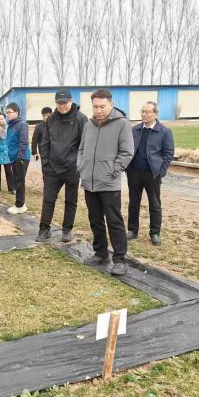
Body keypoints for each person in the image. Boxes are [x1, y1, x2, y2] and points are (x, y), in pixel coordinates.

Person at [77, 89, 134, 275]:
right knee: (95, 220)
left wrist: (113, 170)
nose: (99, 110)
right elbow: (81, 149)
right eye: (96, 106)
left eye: (102, 106)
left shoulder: (122, 124)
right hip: (89, 182)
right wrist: (81, 167)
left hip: (109, 183)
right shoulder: (89, 125)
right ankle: (100, 253)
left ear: (111, 104)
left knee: (114, 222)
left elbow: (127, 152)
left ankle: (120, 260)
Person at [37, 89, 88, 242]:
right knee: (48, 199)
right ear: (56, 103)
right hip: (52, 168)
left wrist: (78, 164)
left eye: (65, 103)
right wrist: (45, 163)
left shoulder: (81, 119)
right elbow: (44, 142)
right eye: (59, 103)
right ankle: (44, 229)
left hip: (72, 168)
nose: (62, 106)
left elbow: (85, 144)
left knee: (71, 201)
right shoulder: (51, 119)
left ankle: (67, 230)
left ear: (71, 101)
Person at [126, 101, 174, 246]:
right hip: (134, 172)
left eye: (147, 112)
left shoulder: (164, 132)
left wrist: (161, 171)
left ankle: (155, 232)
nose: (144, 114)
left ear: (155, 114)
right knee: (133, 202)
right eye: (142, 111)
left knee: (154, 204)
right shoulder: (134, 130)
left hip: (152, 174)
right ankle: (132, 230)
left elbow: (168, 153)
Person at [5, 103, 30, 214]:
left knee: (19, 182)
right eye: (7, 112)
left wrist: (20, 158)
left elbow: (23, 142)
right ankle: (21, 203)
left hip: (21, 157)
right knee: (17, 181)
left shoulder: (22, 125)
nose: (7, 114)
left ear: (16, 112)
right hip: (13, 157)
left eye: (9, 112)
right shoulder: (11, 125)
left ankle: (19, 205)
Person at [0, 112, 15, 194]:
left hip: (6, 151)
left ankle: (11, 189)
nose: (1, 120)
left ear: (5, 119)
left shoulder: (8, 128)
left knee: (9, 171)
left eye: (2, 119)